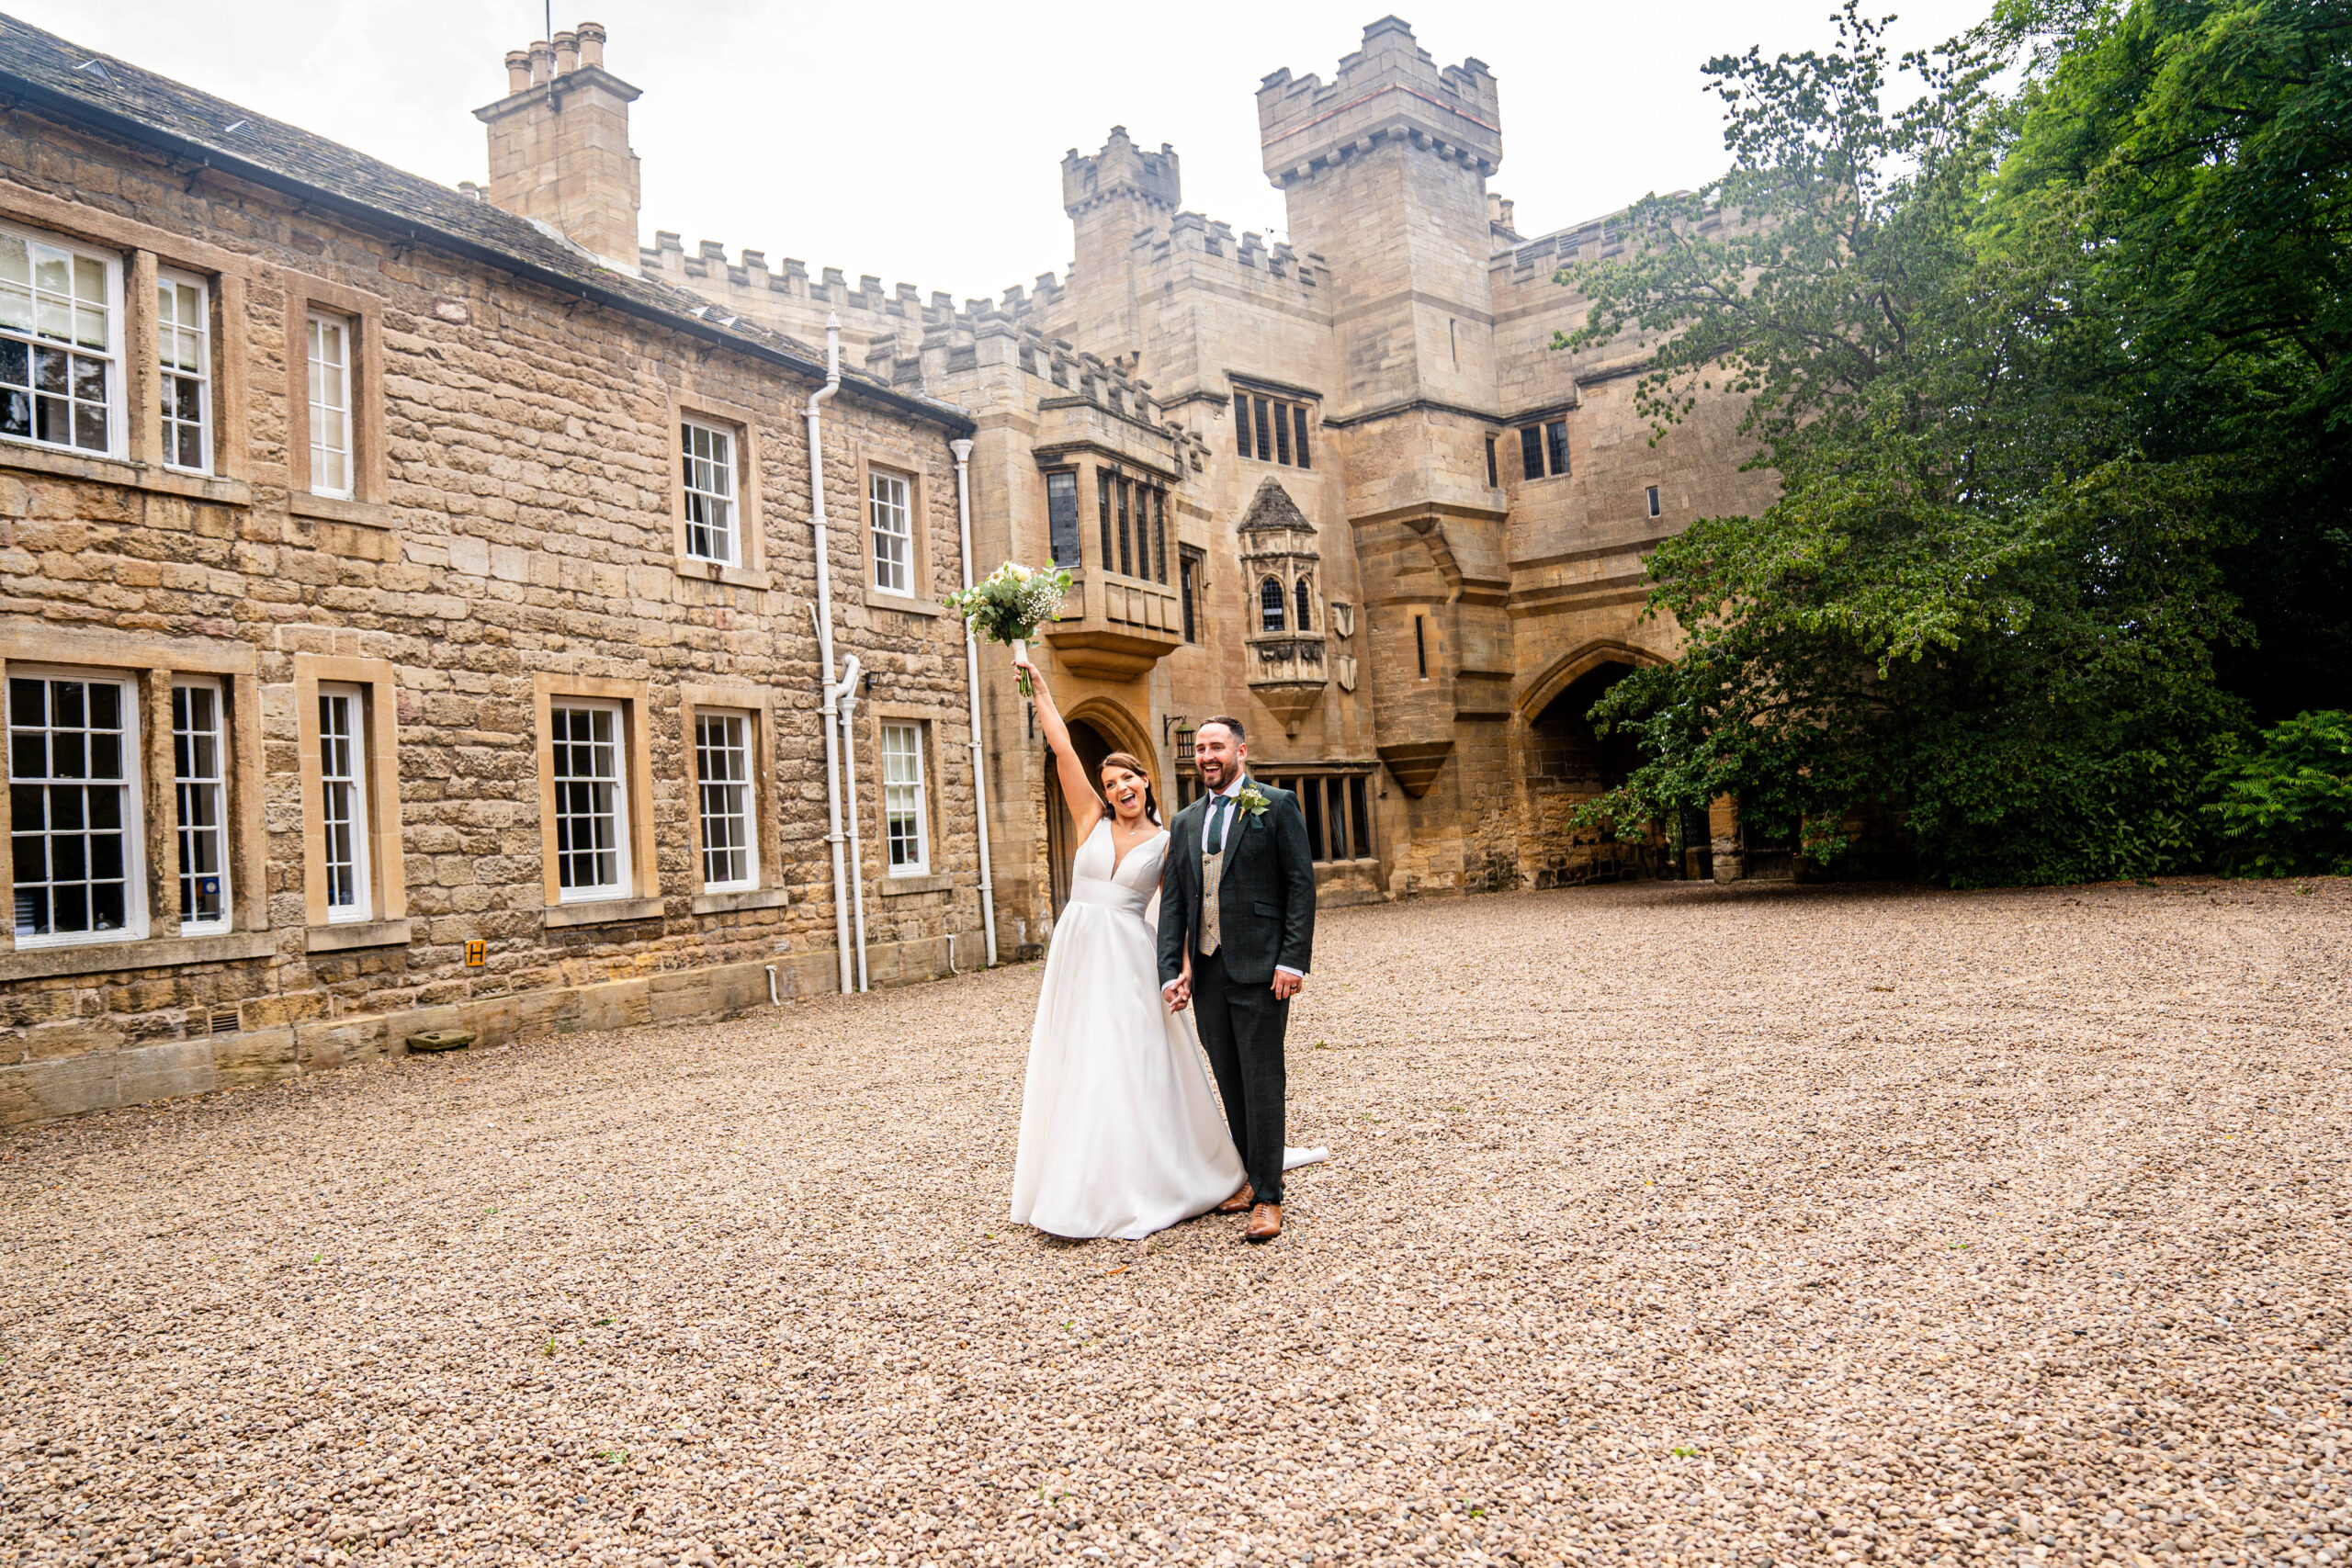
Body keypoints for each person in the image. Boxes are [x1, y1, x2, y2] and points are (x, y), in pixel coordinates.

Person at [1006, 655, 1248, 1240]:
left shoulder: (1168, 842)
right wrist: (1038, 685)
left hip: (1130, 955)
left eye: (1128, 780)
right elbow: (1062, 747)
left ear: (1145, 783)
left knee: (1133, 1057)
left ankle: (1169, 1169)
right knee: (1079, 1055)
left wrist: (1183, 969)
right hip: (1079, 948)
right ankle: (1077, 1178)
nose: (1119, 790)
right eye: (1110, 783)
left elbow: (1177, 911)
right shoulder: (1088, 818)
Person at [1157, 714, 1317, 1243]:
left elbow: (1300, 886)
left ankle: (1269, 1197)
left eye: (1217, 747)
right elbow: (1176, 904)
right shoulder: (1184, 823)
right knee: (1229, 1077)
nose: (1207, 756)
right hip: (1206, 971)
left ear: (1241, 752)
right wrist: (1170, 973)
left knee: (1263, 1080)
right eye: (1200, 748)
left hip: (1261, 969)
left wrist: (1292, 961)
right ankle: (1251, 1176)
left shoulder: (1276, 805)